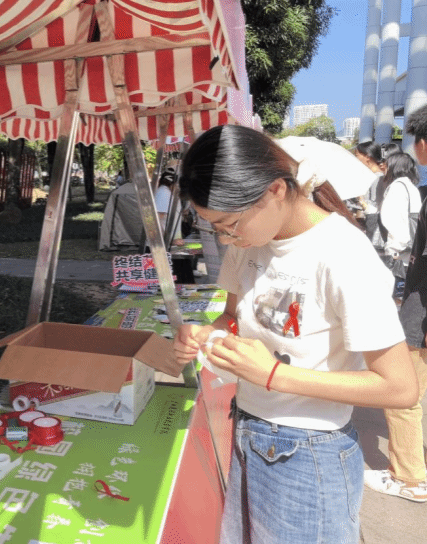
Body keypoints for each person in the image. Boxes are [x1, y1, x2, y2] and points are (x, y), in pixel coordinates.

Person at [173, 125, 417, 543]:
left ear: (274, 190)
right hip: (249, 428)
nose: (227, 238)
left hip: (309, 451)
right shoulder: (249, 243)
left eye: (230, 224)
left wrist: (273, 375)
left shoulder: (343, 254)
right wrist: (204, 334)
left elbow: (399, 388)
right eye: (215, 228)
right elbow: (232, 317)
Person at [363, 105, 427, 503]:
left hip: (420, 314)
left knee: (402, 393)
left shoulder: (404, 190)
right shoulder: (419, 191)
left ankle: (409, 478)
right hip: (417, 301)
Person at [377, 152, 422, 300]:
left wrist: (395, 249)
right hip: (411, 251)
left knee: (393, 299)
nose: (384, 167)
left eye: (387, 164)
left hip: (398, 252)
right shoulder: (412, 187)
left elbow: (392, 220)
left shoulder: (396, 188)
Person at [355, 141, 386, 248]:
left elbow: (374, 206)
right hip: (372, 227)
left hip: (376, 232)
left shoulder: (377, 178)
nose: (356, 158)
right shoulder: (373, 176)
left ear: (367, 157)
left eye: (357, 155)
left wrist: (361, 200)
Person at [154, 166, 185, 246]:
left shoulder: (169, 193)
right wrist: (169, 240)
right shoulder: (163, 193)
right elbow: (158, 220)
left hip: (170, 242)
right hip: (164, 244)